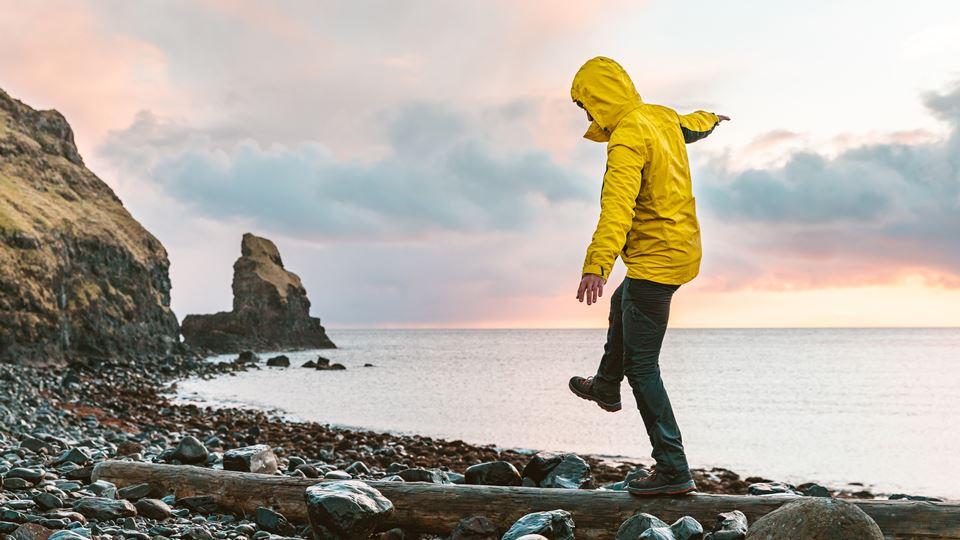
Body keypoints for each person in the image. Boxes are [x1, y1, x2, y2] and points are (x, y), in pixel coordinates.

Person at [566, 56, 729, 496]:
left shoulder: (625, 139)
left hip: (657, 261)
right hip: (680, 251)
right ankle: (604, 385)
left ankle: (673, 468)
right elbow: (689, 124)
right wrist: (712, 118)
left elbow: (616, 206)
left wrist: (596, 265)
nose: (588, 116)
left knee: (642, 366)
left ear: (600, 100)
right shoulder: (658, 116)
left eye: (587, 106)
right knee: (624, 302)